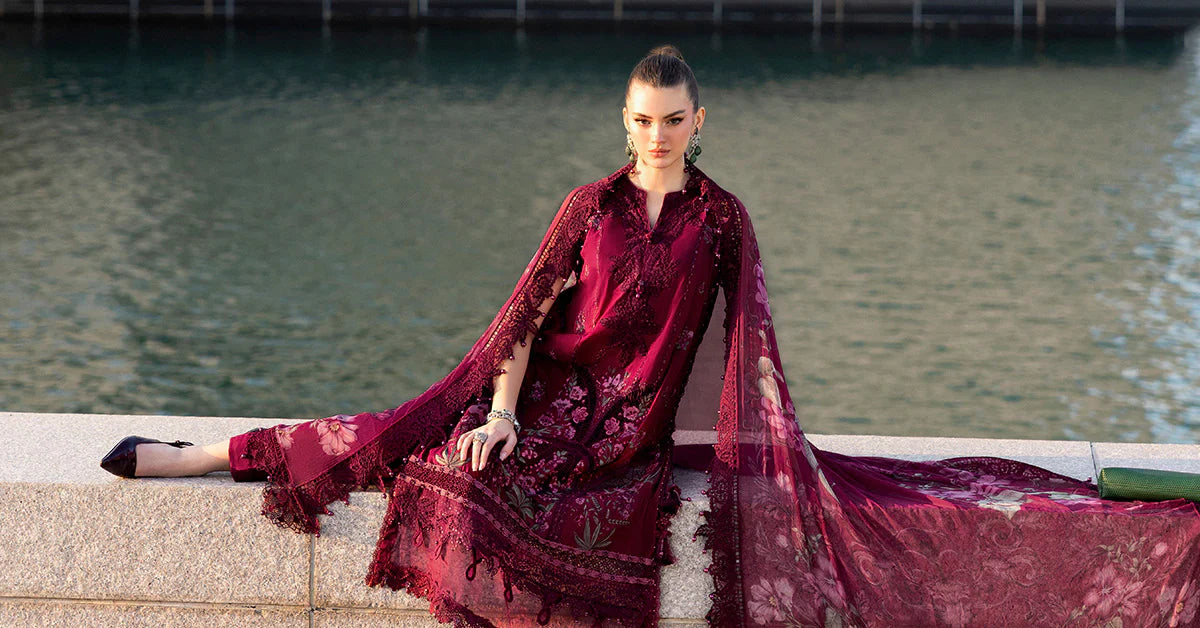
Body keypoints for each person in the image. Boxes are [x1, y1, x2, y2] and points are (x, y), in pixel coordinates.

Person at [99, 45, 1200, 628]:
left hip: (629, 435)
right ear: (623, 122)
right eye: (640, 120)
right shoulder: (587, 205)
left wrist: (746, 450)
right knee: (430, 453)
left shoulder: (724, 221)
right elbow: (526, 317)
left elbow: (748, 349)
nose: (655, 135)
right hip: (546, 401)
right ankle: (208, 452)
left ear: (698, 121)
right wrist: (500, 410)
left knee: (555, 507)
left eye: (672, 120)